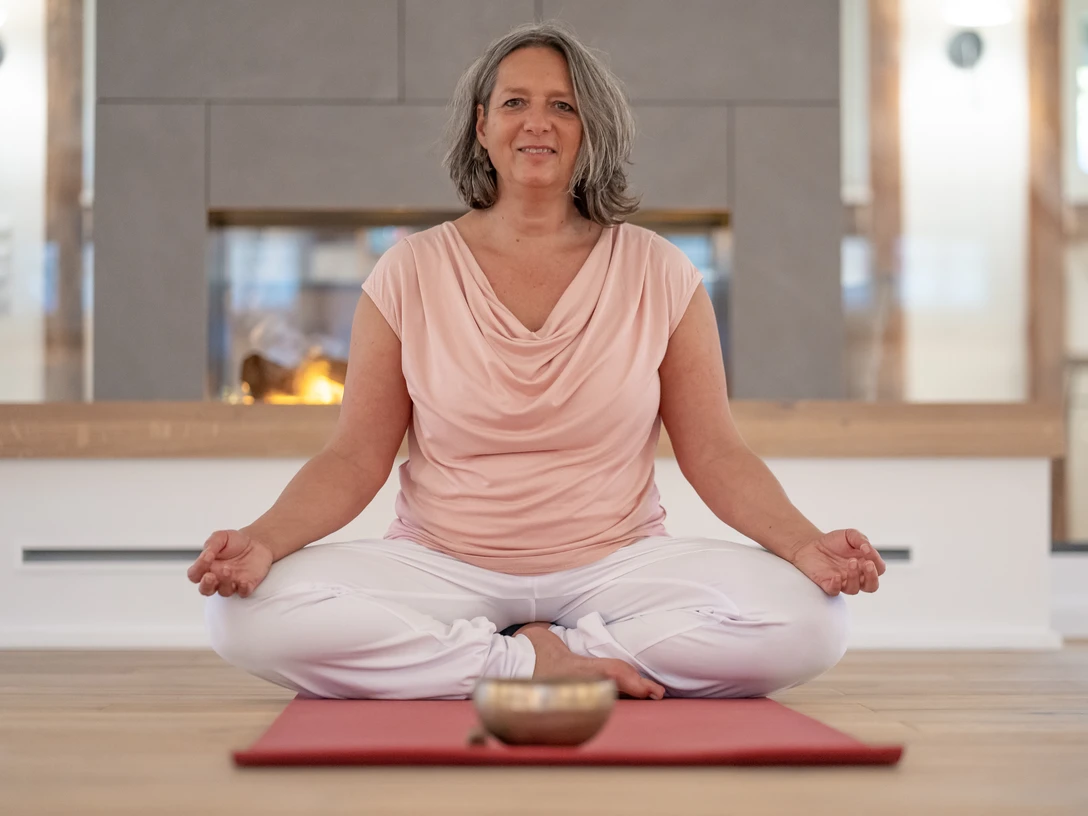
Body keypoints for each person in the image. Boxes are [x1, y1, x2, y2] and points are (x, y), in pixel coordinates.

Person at [188, 21, 885, 701]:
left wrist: (804, 545)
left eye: (563, 106)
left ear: (591, 130)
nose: (537, 123)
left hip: (615, 567)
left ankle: (564, 654)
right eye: (516, 103)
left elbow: (716, 453)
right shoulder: (409, 271)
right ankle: (522, 661)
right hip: (443, 566)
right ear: (483, 124)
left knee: (811, 623)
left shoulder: (659, 271)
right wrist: (261, 541)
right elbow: (352, 459)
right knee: (241, 616)